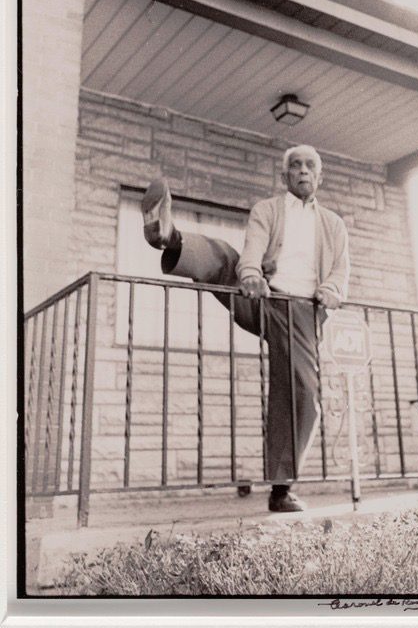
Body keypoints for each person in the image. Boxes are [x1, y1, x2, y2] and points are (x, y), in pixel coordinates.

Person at [141, 145, 349, 512]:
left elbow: (340, 273)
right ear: (284, 176)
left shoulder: (333, 224)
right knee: (226, 257)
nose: (302, 171)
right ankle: (168, 235)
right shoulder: (267, 210)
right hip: (262, 295)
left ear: (320, 176)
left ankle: (281, 488)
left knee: (301, 391)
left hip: (300, 311)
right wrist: (251, 274)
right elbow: (252, 247)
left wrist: (331, 291)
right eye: (295, 166)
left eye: (310, 166)